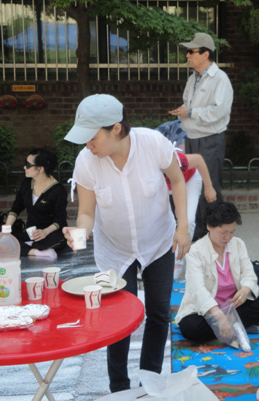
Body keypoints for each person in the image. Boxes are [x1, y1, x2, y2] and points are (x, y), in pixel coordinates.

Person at [62, 94, 190, 393]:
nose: (88, 145)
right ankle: (119, 388)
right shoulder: (86, 161)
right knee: (118, 318)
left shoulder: (153, 144)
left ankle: (149, 382)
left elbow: (178, 180)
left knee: (158, 313)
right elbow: (86, 212)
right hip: (114, 250)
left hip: (158, 242)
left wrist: (183, 228)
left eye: (92, 138)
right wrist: (80, 233)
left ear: (116, 129)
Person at [175, 201, 259, 342]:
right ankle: (236, 326)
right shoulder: (195, 251)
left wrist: (245, 290)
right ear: (209, 226)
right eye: (223, 233)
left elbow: (249, 275)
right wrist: (218, 316)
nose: (228, 237)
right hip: (206, 311)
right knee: (191, 328)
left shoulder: (238, 244)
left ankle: (227, 327)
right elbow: (197, 290)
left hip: (232, 306)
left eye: (232, 232)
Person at [169, 33, 233, 239]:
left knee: (210, 186)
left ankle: (214, 231)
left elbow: (219, 112)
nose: (187, 55)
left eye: (191, 51)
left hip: (210, 139)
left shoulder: (220, 79)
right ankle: (200, 229)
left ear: (206, 54)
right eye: (187, 51)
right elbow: (190, 105)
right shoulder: (192, 78)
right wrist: (184, 111)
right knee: (193, 184)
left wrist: (190, 112)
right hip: (191, 137)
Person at [4, 149, 70, 260]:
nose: (24, 167)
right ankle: (35, 251)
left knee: (61, 239)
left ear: (40, 169)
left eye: (28, 165)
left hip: (50, 233)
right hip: (31, 232)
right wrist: (6, 230)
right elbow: (16, 208)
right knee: (3, 240)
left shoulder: (58, 190)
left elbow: (60, 219)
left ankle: (28, 248)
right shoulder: (26, 183)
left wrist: (45, 232)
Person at [165, 151, 217, 241]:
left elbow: (198, 159)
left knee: (188, 219)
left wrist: (209, 187)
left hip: (189, 179)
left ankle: (183, 248)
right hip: (164, 186)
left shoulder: (174, 160)